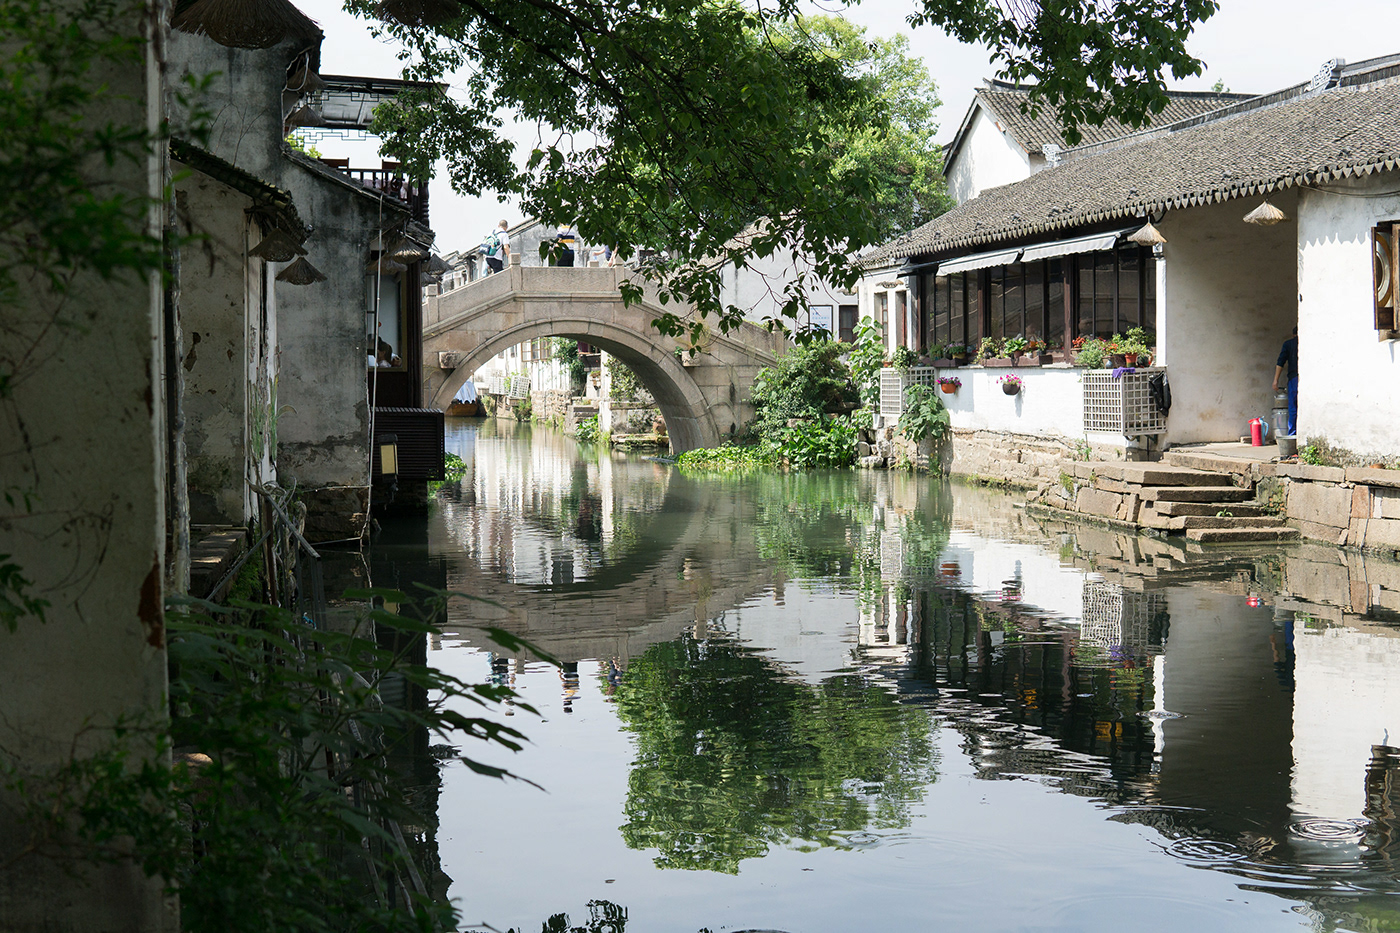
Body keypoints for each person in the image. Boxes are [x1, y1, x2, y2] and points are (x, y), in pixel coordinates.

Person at [1272, 325, 1298, 437]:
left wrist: (1275, 380)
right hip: (1306, 379)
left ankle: (1292, 435)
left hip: (1294, 379)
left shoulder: (1289, 344)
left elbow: (1280, 362)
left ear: (1293, 335)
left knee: (1293, 408)